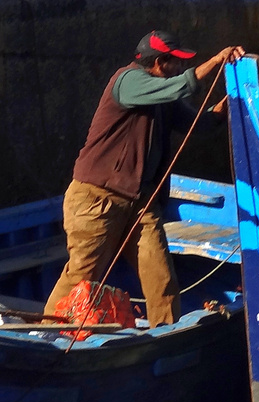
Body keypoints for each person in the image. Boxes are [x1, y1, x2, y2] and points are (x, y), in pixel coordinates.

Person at [43, 31, 245, 326]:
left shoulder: (163, 95)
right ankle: (48, 332)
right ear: (161, 63)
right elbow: (181, 86)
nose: (179, 67)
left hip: (141, 202)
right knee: (82, 274)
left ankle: (165, 338)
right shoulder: (128, 81)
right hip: (97, 200)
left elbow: (198, 124)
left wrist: (226, 105)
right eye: (176, 62)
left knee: (161, 280)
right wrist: (216, 61)